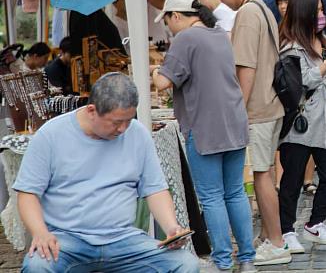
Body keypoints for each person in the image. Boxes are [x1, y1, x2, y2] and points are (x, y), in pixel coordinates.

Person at [14, 73, 198, 273]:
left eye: (129, 120)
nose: (123, 129)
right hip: (66, 241)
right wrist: (40, 232)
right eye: (116, 122)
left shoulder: (138, 134)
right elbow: (27, 194)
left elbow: (155, 189)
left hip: (124, 240)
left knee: (185, 264)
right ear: (92, 110)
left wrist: (172, 227)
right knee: (37, 267)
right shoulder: (50, 135)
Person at [151, 0, 267, 270]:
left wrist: (155, 70)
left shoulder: (185, 39)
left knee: (212, 197)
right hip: (234, 122)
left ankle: (223, 261)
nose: (168, 26)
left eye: (167, 20)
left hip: (204, 127)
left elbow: (164, 83)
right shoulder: (218, 33)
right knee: (235, 193)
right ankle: (248, 259)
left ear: (176, 16)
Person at [209, 0, 290, 265]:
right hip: (270, 103)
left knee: (261, 176)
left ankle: (278, 243)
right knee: (264, 173)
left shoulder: (246, 13)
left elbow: (246, 67)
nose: (223, 4)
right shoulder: (262, 7)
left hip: (257, 107)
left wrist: (237, 109)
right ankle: (271, 236)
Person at [277, 0, 326, 253]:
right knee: (293, 179)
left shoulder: (325, 40)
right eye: (317, 11)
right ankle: (285, 230)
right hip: (301, 121)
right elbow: (301, 82)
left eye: (322, 10)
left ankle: (315, 223)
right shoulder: (290, 47)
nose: (321, 16)